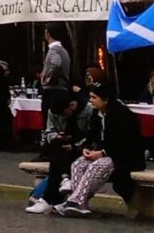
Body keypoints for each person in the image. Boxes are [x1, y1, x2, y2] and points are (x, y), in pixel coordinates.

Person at [53, 85, 143, 216]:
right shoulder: (98, 114)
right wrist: (86, 149)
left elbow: (125, 143)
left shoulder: (123, 115)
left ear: (105, 100)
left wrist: (102, 153)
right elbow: (92, 136)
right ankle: (80, 203)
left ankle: (75, 201)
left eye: (94, 97)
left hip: (125, 157)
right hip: (104, 153)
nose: (91, 101)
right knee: (79, 164)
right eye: (90, 97)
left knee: (97, 165)